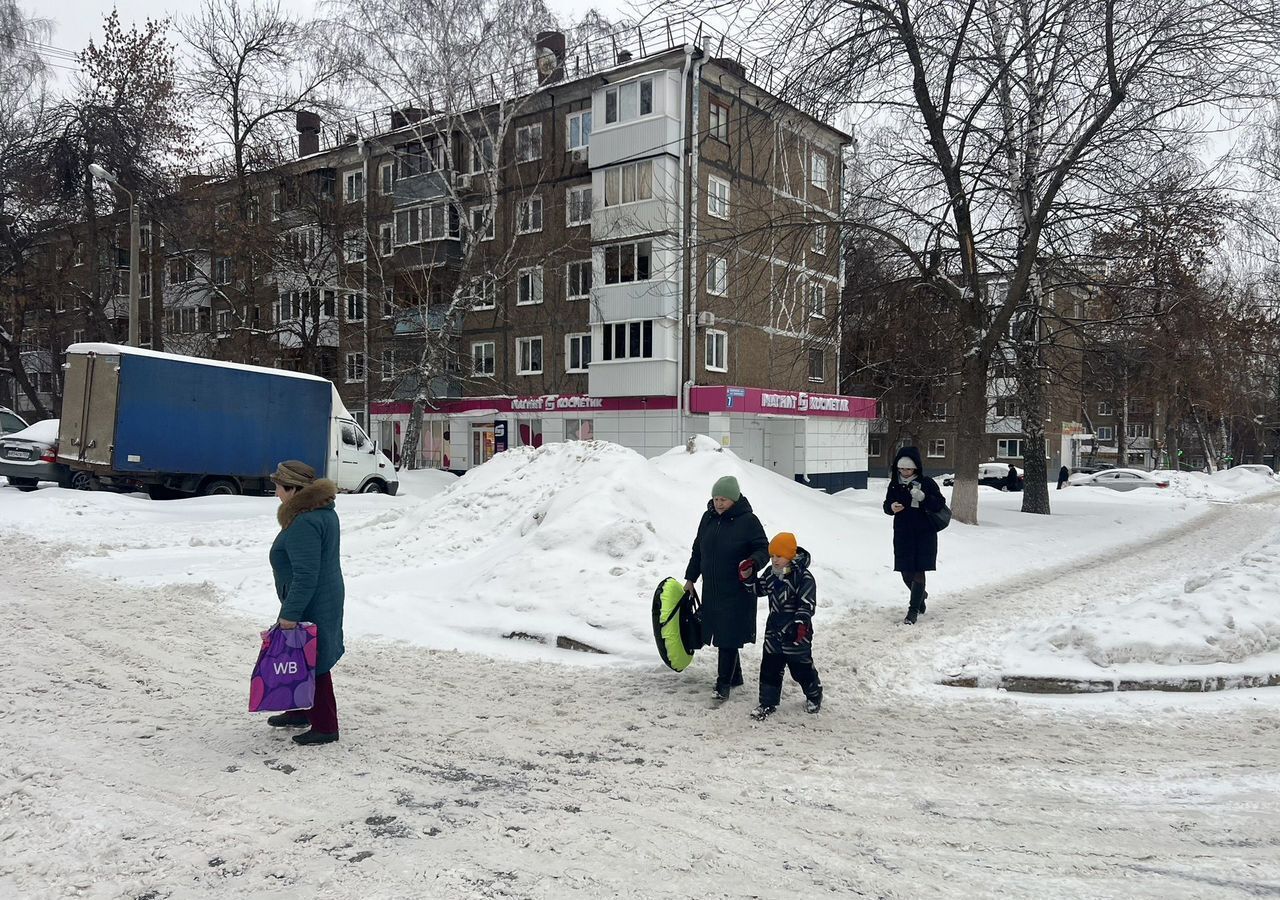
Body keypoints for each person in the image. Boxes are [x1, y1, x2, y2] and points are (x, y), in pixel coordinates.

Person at [266, 460, 346, 745]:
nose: (276, 493)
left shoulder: (305, 522)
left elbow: (306, 574)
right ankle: (299, 709)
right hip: (323, 594)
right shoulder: (323, 512)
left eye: (278, 487)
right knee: (300, 655)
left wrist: (289, 614)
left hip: (312, 599)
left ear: (293, 488)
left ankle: (325, 725)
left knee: (314, 659)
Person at [684, 475, 769, 701]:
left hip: (737, 590)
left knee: (727, 636)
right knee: (722, 632)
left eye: (723, 499)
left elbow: (763, 548)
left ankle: (723, 683)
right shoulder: (708, 518)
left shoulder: (748, 521)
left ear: (735, 498)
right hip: (712, 589)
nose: (718, 503)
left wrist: (752, 563)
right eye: (715, 498)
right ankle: (735, 676)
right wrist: (691, 578)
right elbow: (698, 550)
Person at [749, 532, 822, 721]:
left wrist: (799, 624)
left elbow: (807, 605)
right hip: (774, 630)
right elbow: (759, 589)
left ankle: (814, 693)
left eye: (779, 556)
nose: (774, 560)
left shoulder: (803, 577)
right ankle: (767, 702)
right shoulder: (771, 574)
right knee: (770, 667)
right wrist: (747, 577)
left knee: (800, 668)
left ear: (790, 555)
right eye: (772, 556)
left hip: (797, 632)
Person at [883, 447, 945, 625]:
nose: (904, 472)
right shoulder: (894, 484)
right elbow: (887, 504)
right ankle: (920, 595)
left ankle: (913, 610)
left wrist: (924, 497)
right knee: (905, 572)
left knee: (919, 570)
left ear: (916, 468)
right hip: (903, 533)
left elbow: (939, 504)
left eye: (908, 469)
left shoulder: (927, 482)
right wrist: (891, 507)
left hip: (924, 533)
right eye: (901, 469)